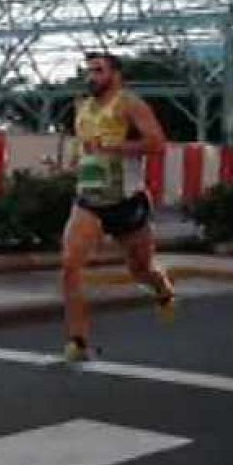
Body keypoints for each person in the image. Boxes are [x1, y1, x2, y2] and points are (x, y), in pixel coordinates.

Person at [61, 52, 176, 363]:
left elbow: (157, 144)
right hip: (89, 199)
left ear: (116, 75)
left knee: (140, 269)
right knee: (70, 264)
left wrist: (113, 147)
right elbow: (84, 150)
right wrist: (71, 165)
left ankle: (162, 288)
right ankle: (78, 341)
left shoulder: (130, 104)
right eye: (89, 71)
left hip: (127, 200)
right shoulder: (82, 109)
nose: (91, 77)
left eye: (98, 71)